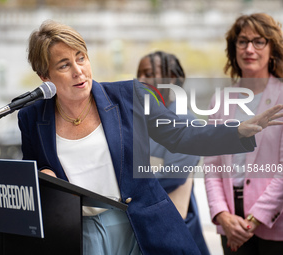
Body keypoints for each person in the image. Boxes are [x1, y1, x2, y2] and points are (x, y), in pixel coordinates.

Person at [18, 19, 283, 255]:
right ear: (45, 77)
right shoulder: (31, 117)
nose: (79, 71)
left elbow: (182, 134)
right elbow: (35, 169)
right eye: (64, 65)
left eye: (81, 58)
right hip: (78, 231)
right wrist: (44, 173)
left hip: (139, 226)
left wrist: (237, 131)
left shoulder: (129, 96)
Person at [204, 13, 283, 255]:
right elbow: (211, 166)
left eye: (259, 41)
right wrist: (222, 215)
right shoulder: (219, 101)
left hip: (275, 224)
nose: (249, 48)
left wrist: (255, 218)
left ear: (272, 49)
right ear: (234, 49)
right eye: (242, 41)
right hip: (230, 224)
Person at [137, 50, 210, 255]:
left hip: (177, 234)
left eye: (149, 74)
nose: (141, 80)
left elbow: (170, 178)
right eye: (139, 74)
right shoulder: (139, 121)